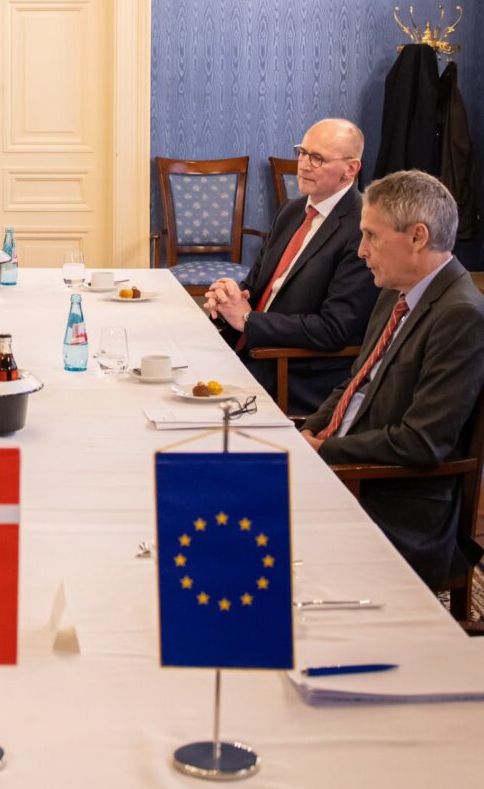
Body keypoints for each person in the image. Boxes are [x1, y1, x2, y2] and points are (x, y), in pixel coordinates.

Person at [301, 170, 484, 588]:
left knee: (249, 524)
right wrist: (310, 430)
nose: (361, 250)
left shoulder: (461, 315)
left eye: (371, 236)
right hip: (347, 467)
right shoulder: (394, 292)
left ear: (417, 236)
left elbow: (423, 442)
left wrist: (325, 450)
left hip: (392, 500)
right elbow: (354, 383)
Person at [204, 118, 379, 415]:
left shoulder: (362, 226)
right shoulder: (292, 210)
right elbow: (255, 286)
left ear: (351, 169)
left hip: (292, 371)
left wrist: (248, 321)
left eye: (318, 158)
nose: (304, 165)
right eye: (302, 152)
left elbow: (334, 329)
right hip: (248, 349)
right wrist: (227, 299)